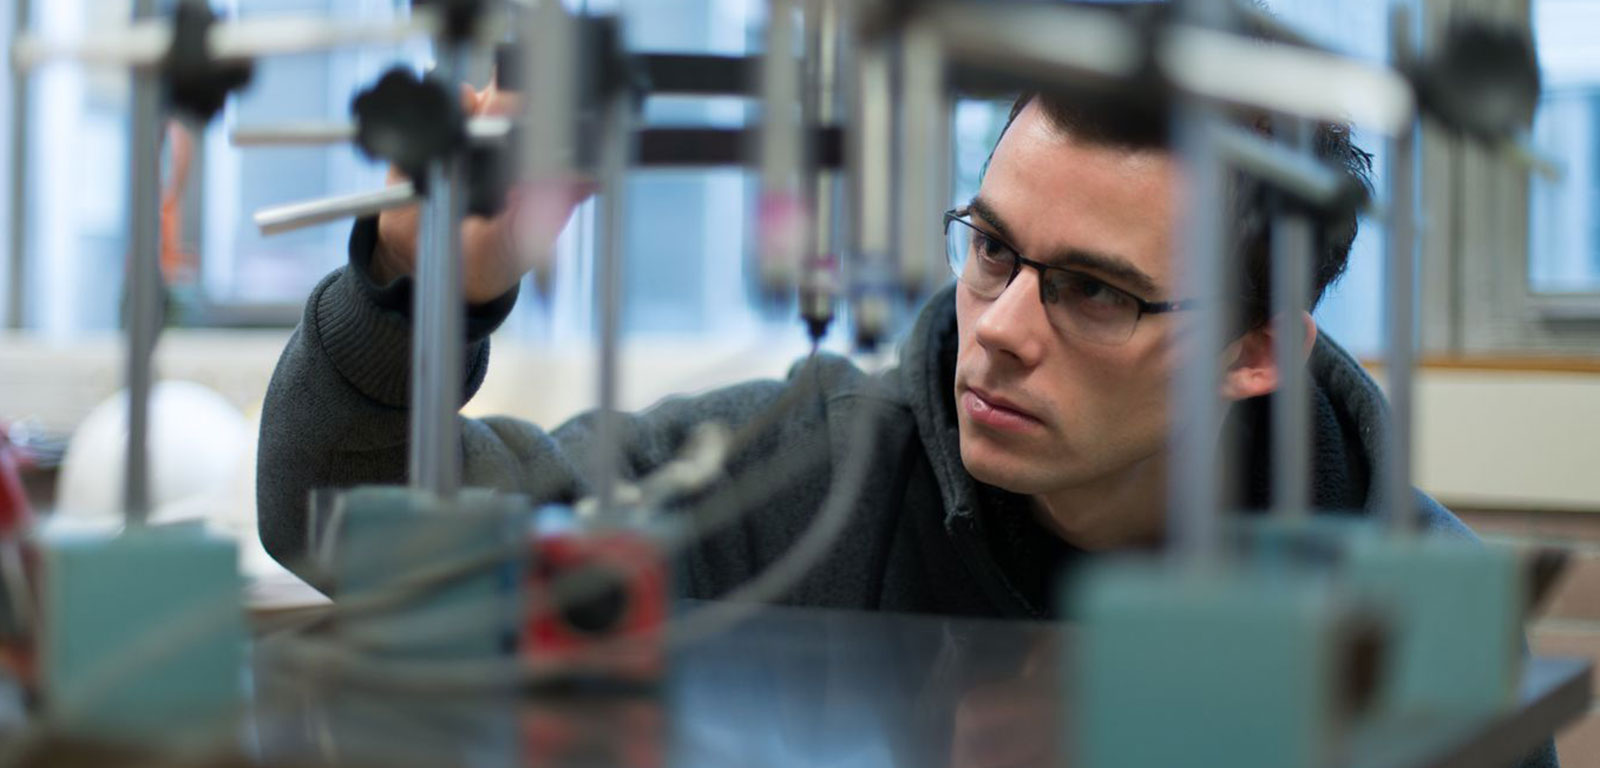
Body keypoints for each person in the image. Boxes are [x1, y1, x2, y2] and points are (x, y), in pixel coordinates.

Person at [258, 78, 1557, 768]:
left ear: (1257, 348)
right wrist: (417, 286)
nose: (996, 327)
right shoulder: (827, 472)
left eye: (1094, 291)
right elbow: (358, 531)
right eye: (991, 247)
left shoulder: (1419, 616)